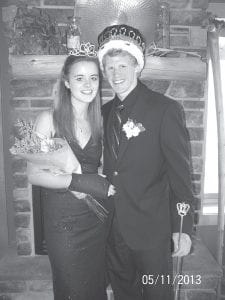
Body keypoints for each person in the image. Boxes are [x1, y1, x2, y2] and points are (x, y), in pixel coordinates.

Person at [98, 24, 194, 300]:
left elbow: (181, 174)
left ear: (137, 66)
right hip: (113, 231)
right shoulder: (102, 114)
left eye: (122, 66)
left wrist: (183, 227)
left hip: (152, 231)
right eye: (110, 68)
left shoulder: (165, 110)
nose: (116, 75)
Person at [27, 45, 114, 300]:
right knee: (72, 288)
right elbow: (34, 174)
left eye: (93, 77)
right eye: (79, 78)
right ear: (66, 82)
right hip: (63, 223)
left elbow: (101, 168)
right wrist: (78, 182)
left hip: (95, 218)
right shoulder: (48, 120)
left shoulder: (100, 120)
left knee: (96, 286)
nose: (88, 84)